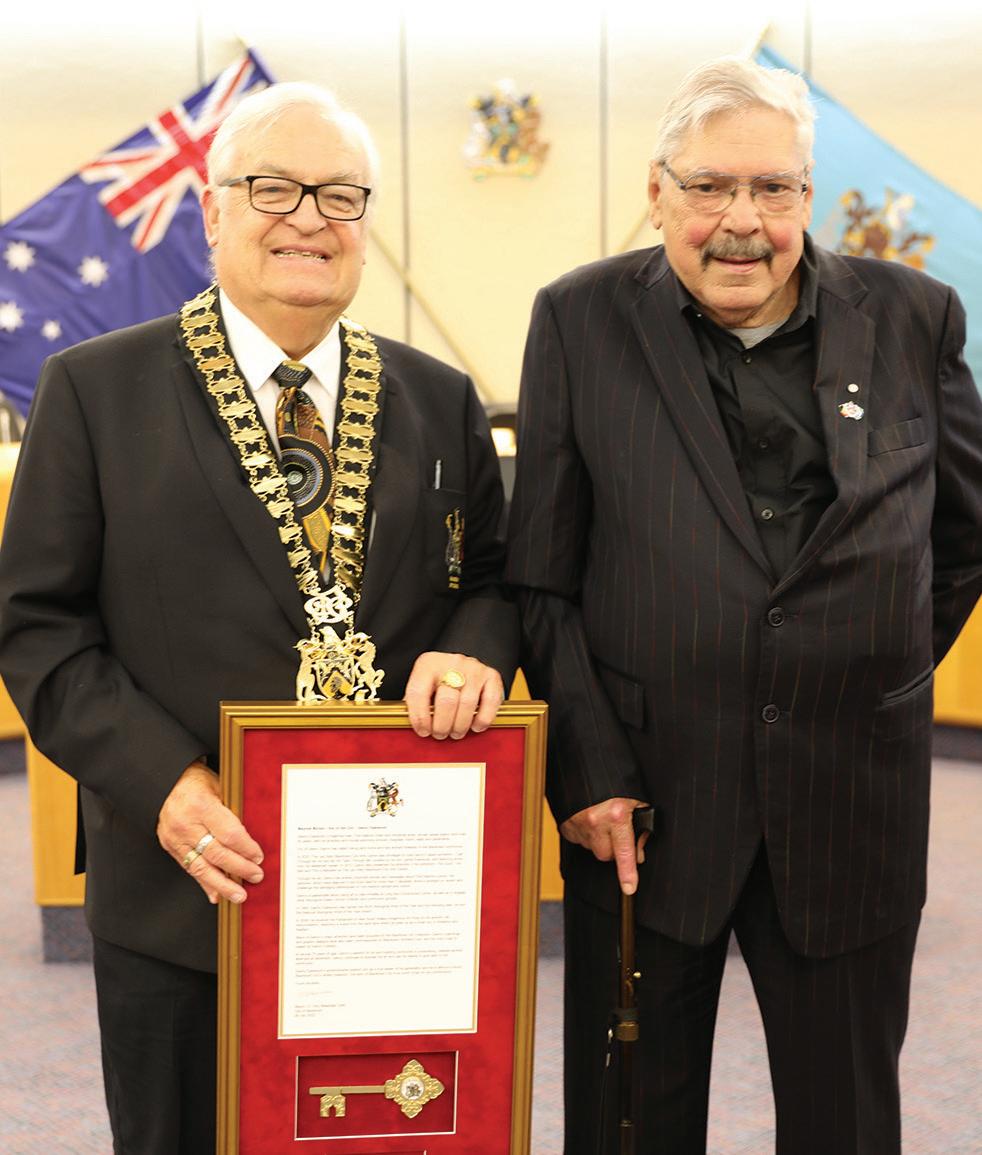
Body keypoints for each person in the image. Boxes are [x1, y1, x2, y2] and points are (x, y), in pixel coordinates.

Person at [0, 82, 516, 1154]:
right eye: (273, 187)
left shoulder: (440, 398)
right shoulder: (94, 390)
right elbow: (38, 626)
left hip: (388, 897)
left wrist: (474, 654)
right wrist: (164, 782)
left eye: (340, 194)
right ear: (213, 208)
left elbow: (492, 583)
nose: (308, 220)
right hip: (184, 882)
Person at [506, 56, 982, 1155]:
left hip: (851, 799)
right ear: (657, 191)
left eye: (772, 189)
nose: (741, 221)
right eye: (710, 186)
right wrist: (589, 770)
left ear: (807, 196)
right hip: (643, 808)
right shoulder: (578, 319)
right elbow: (541, 573)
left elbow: (961, 536)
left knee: (846, 1118)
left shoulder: (913, 316)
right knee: (629, 1119)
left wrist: (873, 664)